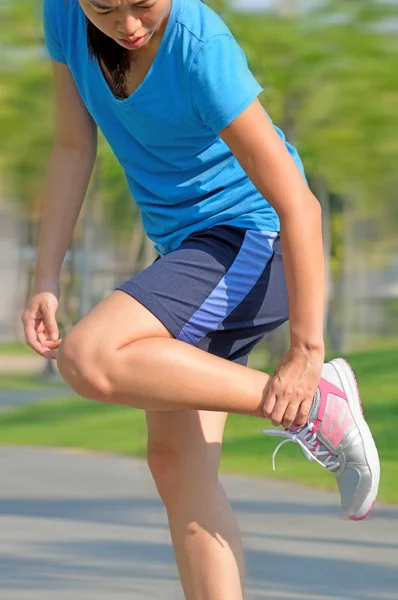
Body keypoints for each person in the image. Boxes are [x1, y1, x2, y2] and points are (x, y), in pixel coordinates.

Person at [22, 0, 380, 597]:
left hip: (257, 243)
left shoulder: (199, 47)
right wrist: (44, 276)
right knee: (178, 470)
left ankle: (319, 403)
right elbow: (70, 145)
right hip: (192, 255)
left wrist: (306, 353)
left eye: (142, 4)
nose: (130, 26)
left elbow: (300, 206)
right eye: (107, 9)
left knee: (91, 357)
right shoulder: (62, 13)